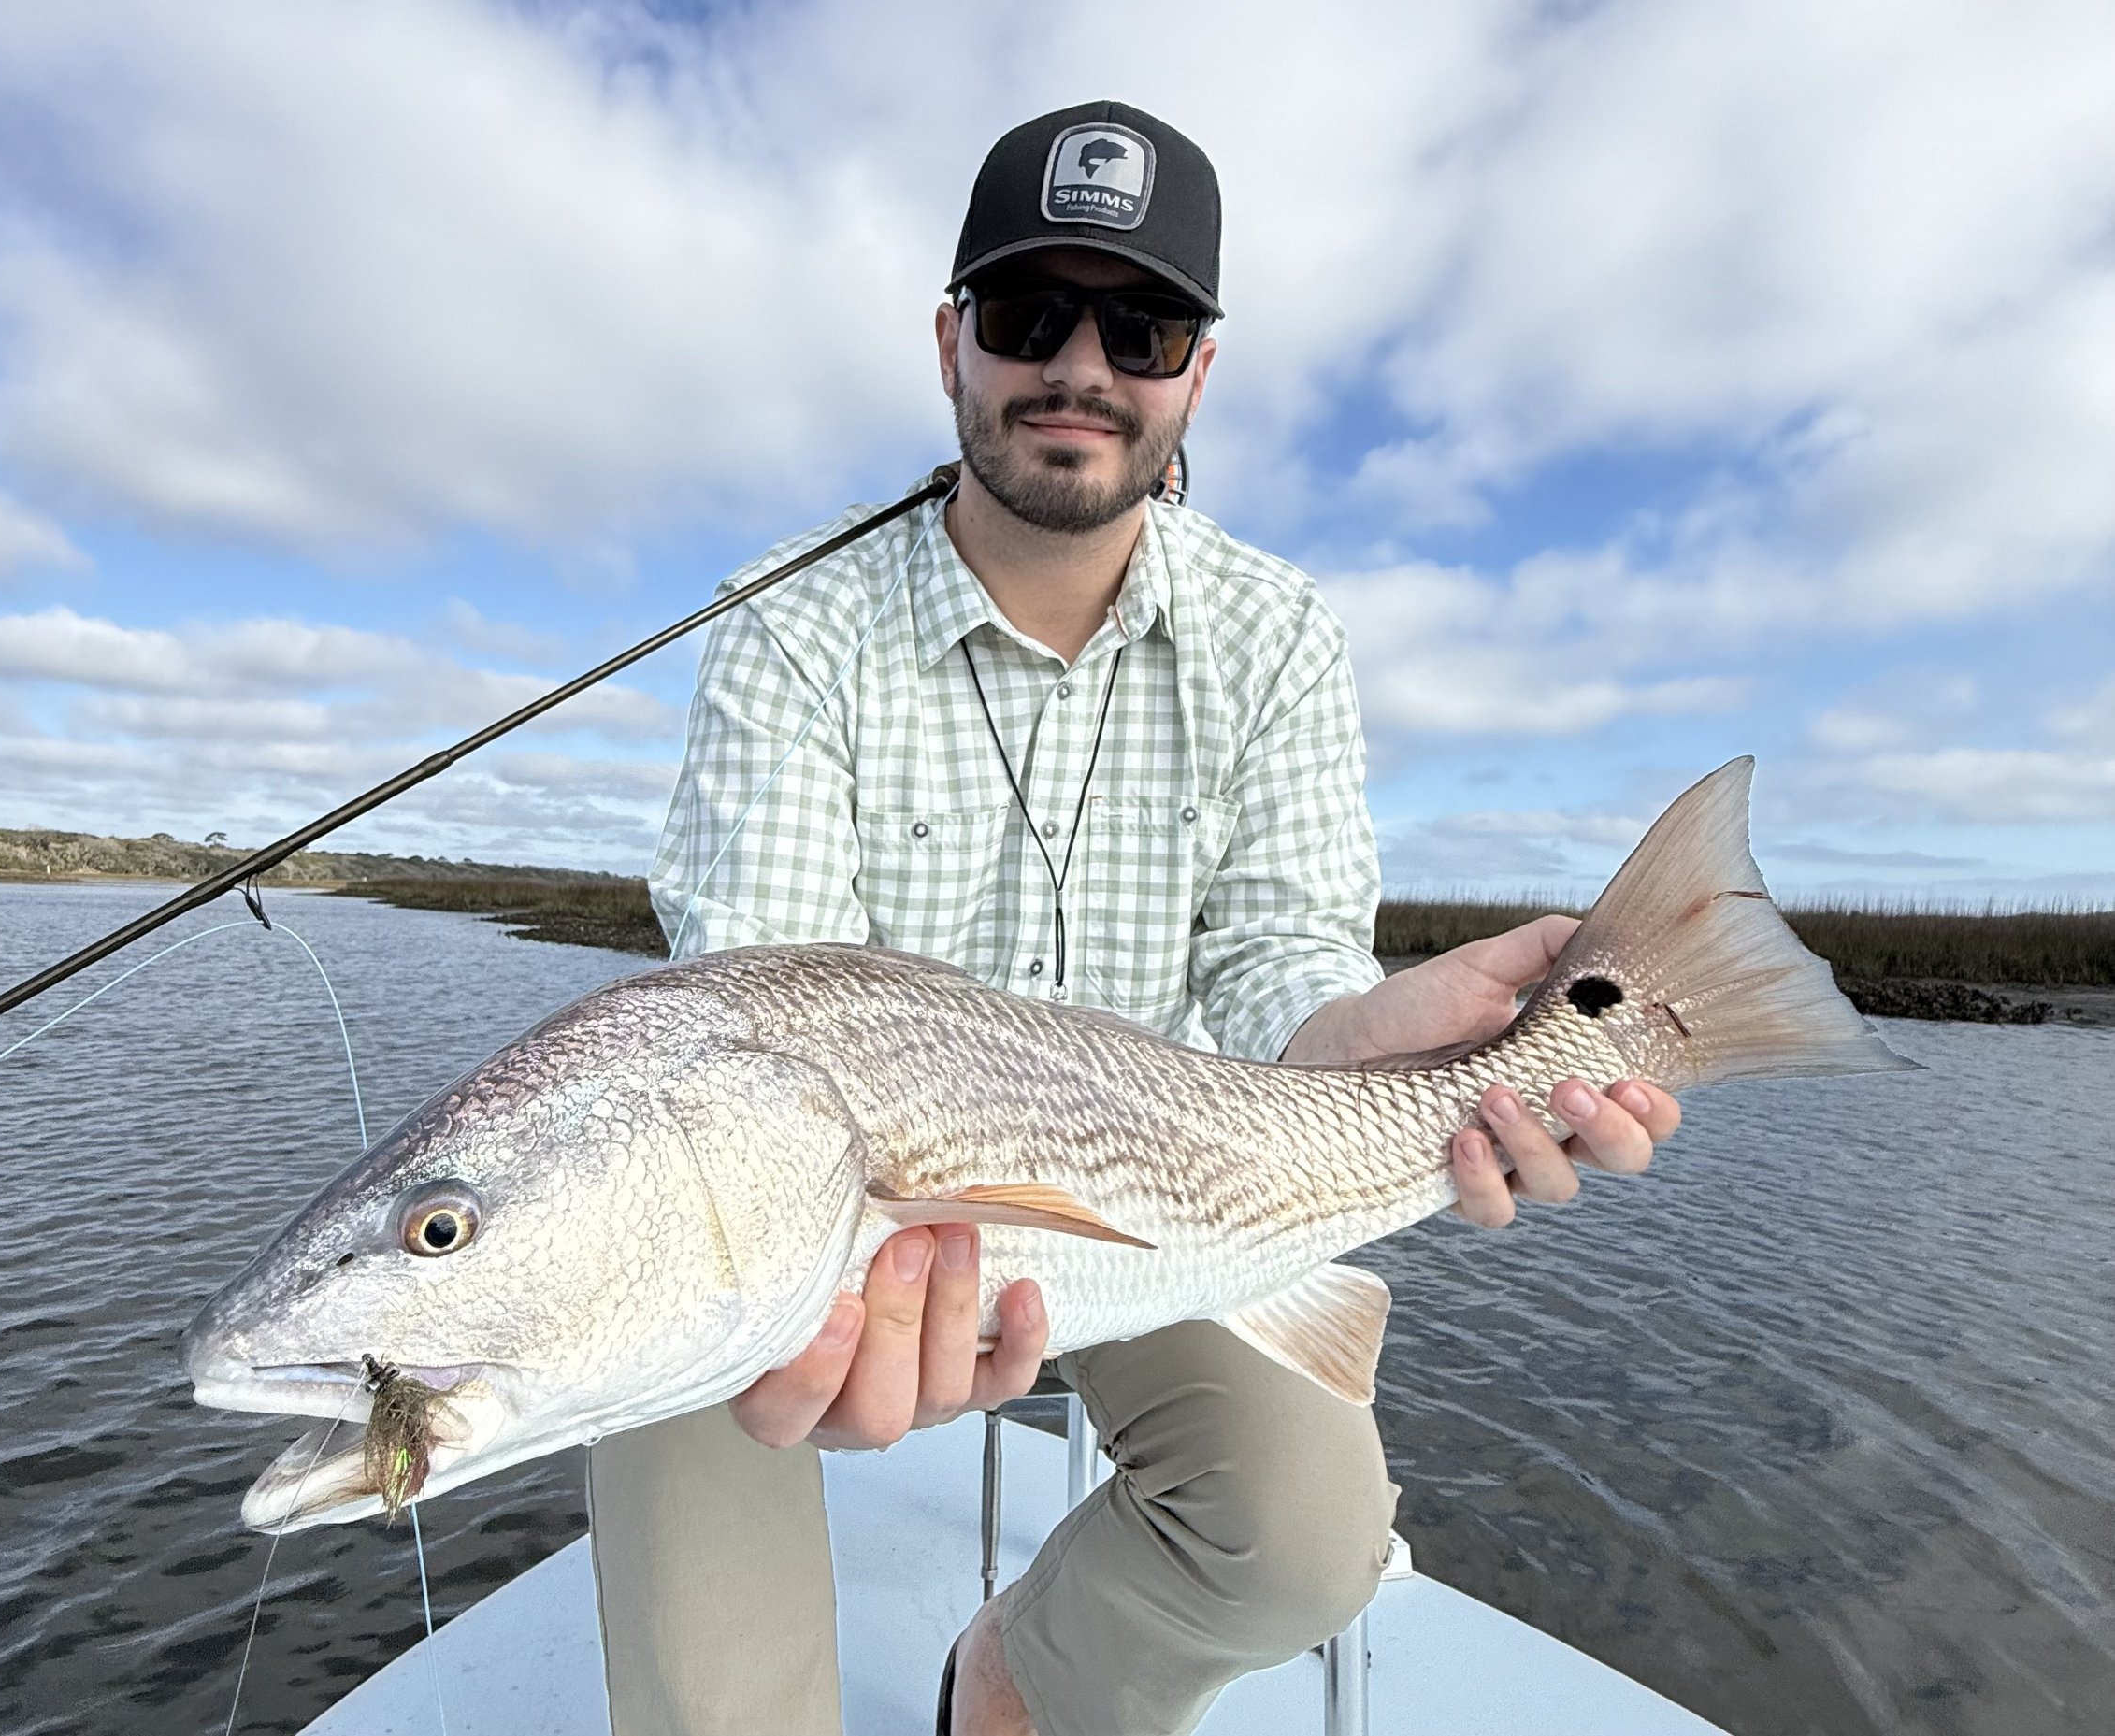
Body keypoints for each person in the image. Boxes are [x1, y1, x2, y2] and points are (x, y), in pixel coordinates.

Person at [588, 100, 1681, 1736]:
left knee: (1307, 1535)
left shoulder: (1279, 633)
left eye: (1144, 323)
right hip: (846, 1221)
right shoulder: (789, 622)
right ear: (952, 341)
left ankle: (1019, 1670)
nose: (1080, 365)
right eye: (1031, 315)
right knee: (668, 1304)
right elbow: (760, 1006)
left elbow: (1284, 962)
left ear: (1199, 369)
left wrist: (1361, 1044)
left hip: (1184, 1201)